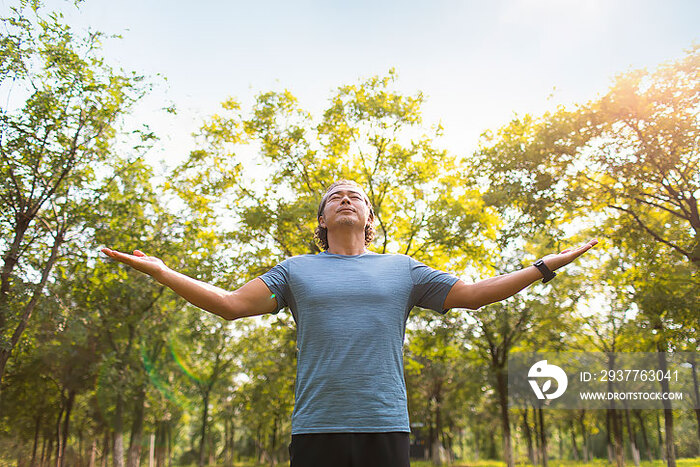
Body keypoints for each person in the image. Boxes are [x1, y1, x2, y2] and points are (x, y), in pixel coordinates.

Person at [101, 179, 598, 467]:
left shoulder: (402, 268)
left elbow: (471, 295)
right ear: (321, 222)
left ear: (369, 218)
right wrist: (163, 272)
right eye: (334, 197)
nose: (345, 199)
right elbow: (231, 305)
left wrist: (544, 265)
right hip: (317, 427)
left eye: (355, 197)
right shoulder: (294, 269)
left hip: (385, 425)